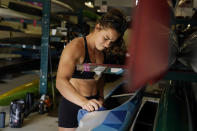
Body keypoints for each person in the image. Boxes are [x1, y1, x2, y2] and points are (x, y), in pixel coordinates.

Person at [56, 8, 127, 131]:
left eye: (112, 42)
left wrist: (100, 96)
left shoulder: (103, 52)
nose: (107, 44)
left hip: (94, 103)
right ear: (98, 27)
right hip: (73, 103)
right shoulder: (75, 47)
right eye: (106, 38)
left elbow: (100, 77)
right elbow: (60, 82)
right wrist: (84, 102)